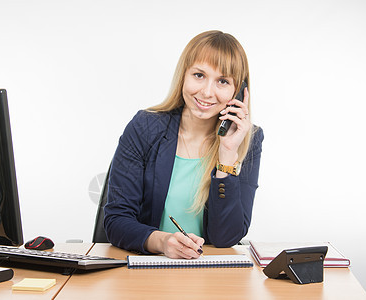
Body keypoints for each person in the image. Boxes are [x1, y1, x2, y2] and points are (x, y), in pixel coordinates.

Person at [104, 30, 264, 259]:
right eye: (199, 75)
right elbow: (116, 220)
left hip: (209, 276)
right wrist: (162, 242)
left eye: (223, 81)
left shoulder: (248, 139)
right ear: (183, 76)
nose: (207, 92)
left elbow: (226, 239)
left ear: (238, 92)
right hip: (148, 268)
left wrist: (227, 154)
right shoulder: (144, 128)